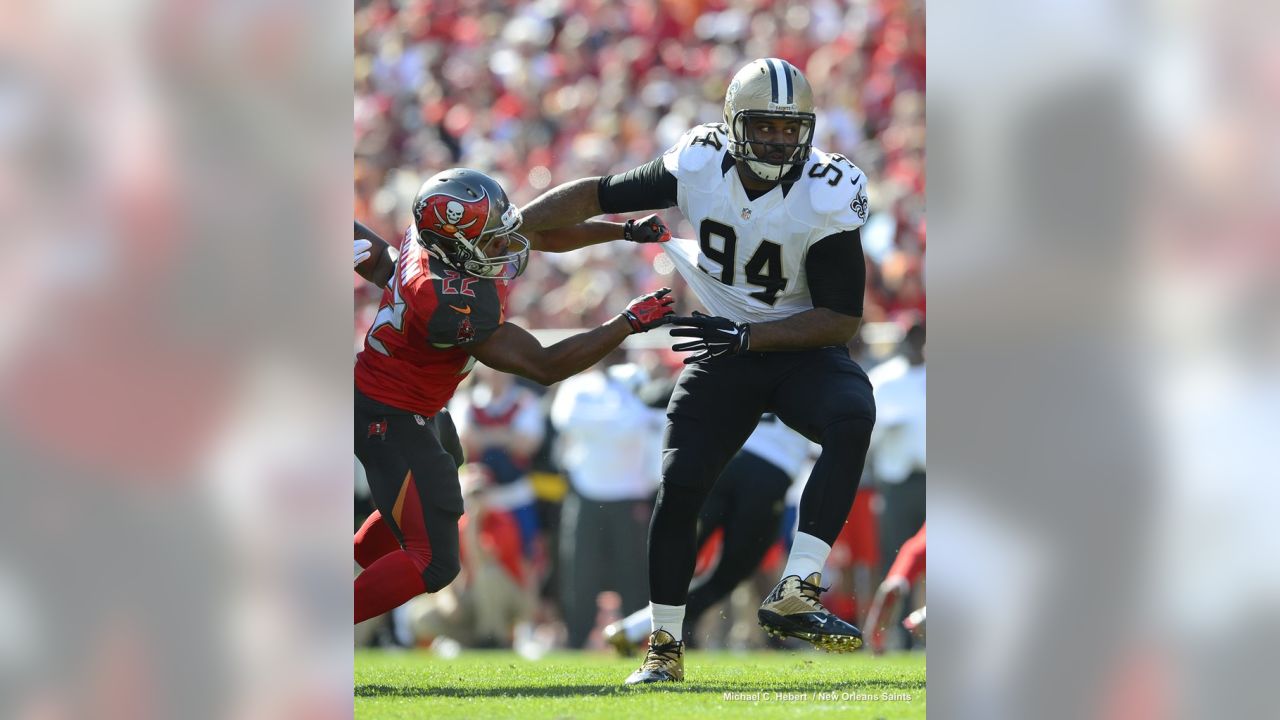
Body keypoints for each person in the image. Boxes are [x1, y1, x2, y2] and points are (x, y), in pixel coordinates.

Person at [519, 58, 877, 684]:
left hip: (795, 348)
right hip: (724, 349)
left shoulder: (829, 189)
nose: (778, 141)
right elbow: (599, 192)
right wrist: (514, 223)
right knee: (680, 487)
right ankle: (664, 648)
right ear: (734, 124)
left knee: (853, 414)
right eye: (765, 127)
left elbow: (840, 318)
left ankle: (797, 587)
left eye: (791, 130)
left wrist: (749, 334)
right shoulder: (699, 162)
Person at [351, 167, 677, 626]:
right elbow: (543, 366)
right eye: (489, 240)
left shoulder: (440, 244)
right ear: (453, 245)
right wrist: (626, 323)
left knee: (440, 476)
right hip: (390, 415)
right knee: (434, 561)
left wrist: (621, 230)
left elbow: (535, 233)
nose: (502, 246)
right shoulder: (447, 302)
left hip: (409, 405)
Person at [601, 413, 813, 654]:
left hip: (724, 459)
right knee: (729, 573)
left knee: (678, 552)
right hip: (770, 472)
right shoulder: (812, 379)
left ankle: (637, 628)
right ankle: (642, 630)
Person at [549, 355, 663, 648]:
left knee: (633, 573)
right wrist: (622, 422)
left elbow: (652, 423)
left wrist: (606, 424)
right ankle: (576, 638)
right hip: (585, 490)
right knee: (579, 570)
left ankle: (635, 639)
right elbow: (564, 419)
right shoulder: (579, 386)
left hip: (631, 495)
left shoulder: (640, 385)